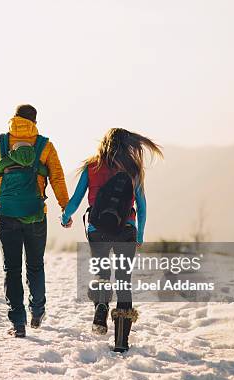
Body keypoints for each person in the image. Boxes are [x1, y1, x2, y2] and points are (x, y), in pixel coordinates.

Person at [61, 128, 163, 352]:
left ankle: (101, 305)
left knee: (103, 274)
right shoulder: (133, 170)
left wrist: (65, 216)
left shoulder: (91, 166)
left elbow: (76, 199)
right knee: (124, 281)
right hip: (126, 229)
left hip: (97, 230)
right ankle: (120, 341)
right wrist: (139, 234)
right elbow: (142, 207)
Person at [0, 104, 69, 338]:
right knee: (35, 265)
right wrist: (65, 207)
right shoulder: (45, 145)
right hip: (36, 215)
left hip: (7, 214)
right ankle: (37, 311)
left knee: (12, 269)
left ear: (14, 119)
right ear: (34, 122)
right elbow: (57, 177)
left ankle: (18, 323)